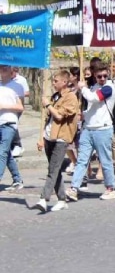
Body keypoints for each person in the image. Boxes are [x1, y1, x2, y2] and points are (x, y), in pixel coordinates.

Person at [66, 61, 115, 201]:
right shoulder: (94, 87)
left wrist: (83, 88)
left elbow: (94, 98)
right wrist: (85, 114)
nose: (102, 78)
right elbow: (92, 106)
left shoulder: (109, 88)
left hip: (103, 129)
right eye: (99, 76)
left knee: (105, 160)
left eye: (105, 76)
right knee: (82, 160)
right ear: (95, 75)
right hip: (88, 129)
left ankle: (111, 188)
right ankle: (74, 188)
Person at [34, 69, 79, 212]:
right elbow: (47, 119)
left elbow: (59, 116)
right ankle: (61, 199)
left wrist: (48, 105)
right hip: (49, 137)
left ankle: (44, 198)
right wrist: (41, 138)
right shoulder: (55, 96)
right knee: (56, 169)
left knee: (52, 170)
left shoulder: (71, 97)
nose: (53, 83)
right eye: (53, 81)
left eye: (56, 81)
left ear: (64, 82)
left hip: (61, 137)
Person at [0, 65, 24, 191]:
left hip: (9, 122)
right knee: (7, 153)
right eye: (1, 67)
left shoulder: (17, 86)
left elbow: (20, 107)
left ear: (11, 71)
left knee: (2, 152)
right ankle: (17, 179)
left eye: (6, 67)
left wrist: (4, 106)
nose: (3, 69)